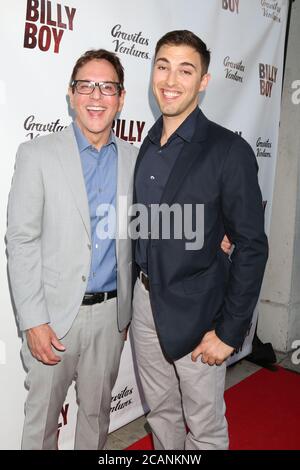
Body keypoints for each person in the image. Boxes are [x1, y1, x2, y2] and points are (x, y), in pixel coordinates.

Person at [131, 30, 268, 450]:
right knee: (161, 413)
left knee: (205, 428)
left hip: (199, 313)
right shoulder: (148, 144)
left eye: (185, 70)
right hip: (143, 302)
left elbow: (251, 245)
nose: (170, 80)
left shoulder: (229, 150)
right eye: (162, 66)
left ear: (204, 81)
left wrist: (228, 332)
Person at [6, 49, 138, 450]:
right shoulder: (37, 155)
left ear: (121, 97)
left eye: (107, 87)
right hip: (53, 318)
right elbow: (21, 240)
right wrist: (33, 321)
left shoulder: (136, 160)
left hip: (111, 319)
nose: (96, 96)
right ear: (71, 94)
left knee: (96, 421)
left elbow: (153, 227)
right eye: (86, 86)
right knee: (41, 424)